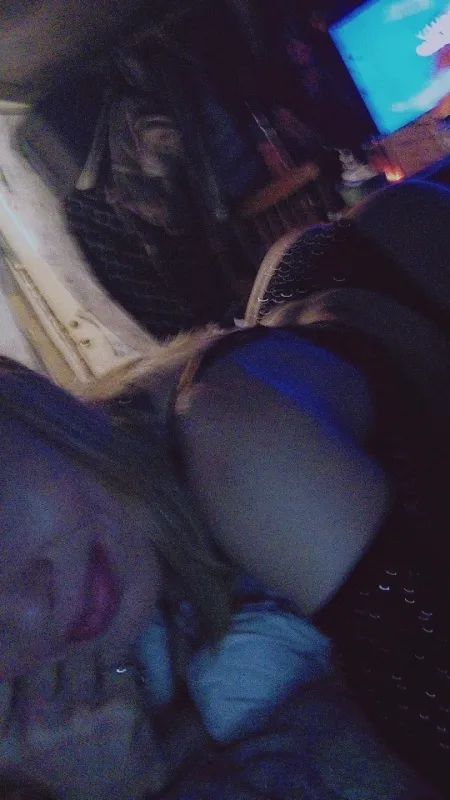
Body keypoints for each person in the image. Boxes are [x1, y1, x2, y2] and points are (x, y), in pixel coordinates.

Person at [0, 179, 448, 798]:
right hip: (296, 296)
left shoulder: (242, 448)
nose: (27, 607)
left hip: (407, 272)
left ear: (23, 405)